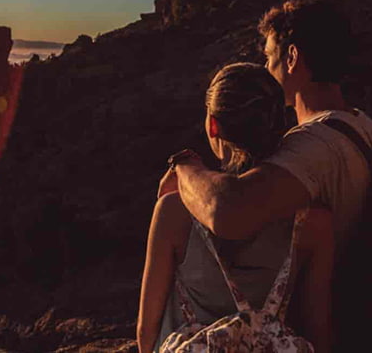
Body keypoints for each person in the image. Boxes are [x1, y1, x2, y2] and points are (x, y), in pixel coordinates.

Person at [137, 63, 334, 352]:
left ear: (213, 125)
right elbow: (319, 328)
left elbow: (146, 330)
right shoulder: (314, 221)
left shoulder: (174, 211)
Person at [171, 0, 372, 244]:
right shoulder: (370, 130)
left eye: (269, 57)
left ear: (291, 57)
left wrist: (186, 167)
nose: (265, 68)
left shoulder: (314, 145)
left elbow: (227, 212)